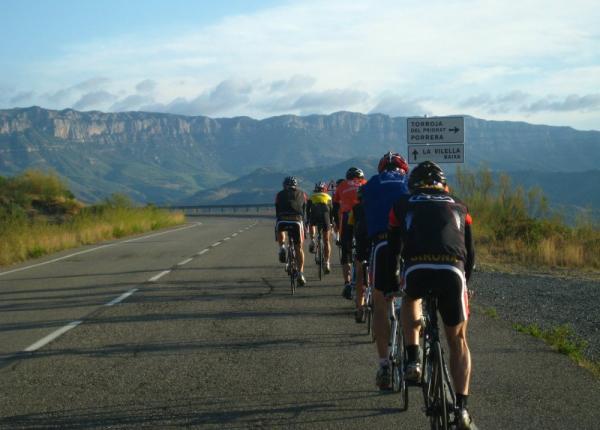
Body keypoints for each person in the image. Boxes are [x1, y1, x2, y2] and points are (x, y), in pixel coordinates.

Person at [388, 161, 477, 430]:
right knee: (458, 339)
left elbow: (394, 249)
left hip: (417, 267)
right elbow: (470, 255)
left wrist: (391, 282)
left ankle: (413, 358)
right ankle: (461, 409)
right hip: (453, 271)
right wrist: (465, 284)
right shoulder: (460, 205)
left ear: (413, 185)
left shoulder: (402, 203)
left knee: (410, 299)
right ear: (443, 185)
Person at [360, 152, 410, 390]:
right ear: (404, 169)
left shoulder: (370, 184)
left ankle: (384, 366)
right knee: (414, 299)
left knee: (380, 306)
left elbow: (360, 219)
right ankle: (415, 357)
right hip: (411, 245)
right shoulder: (410, 183)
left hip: (381, 246)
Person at [333, 168, 366, 299]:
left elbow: (335, 205)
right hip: (363, 216)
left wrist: (336, 222)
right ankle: (367, 279)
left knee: (345, 251)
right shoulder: (366, 183)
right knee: (366, 248)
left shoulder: (342, 185)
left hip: (347, 217)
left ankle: (347, 283)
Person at [275, 176, 307, 286]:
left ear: (284, 185)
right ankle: (301, 273)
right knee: (299, 248)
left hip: (282, 221)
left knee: (279, 226)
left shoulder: (279, 194)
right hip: (297, 222)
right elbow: (304, 211)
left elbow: (277, 210)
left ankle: (282, 247)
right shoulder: (302, 194)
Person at [348, 186, 369, 322]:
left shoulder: (355, 209)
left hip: (362, 241)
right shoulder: (377, 206)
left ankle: (359, 308)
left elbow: (350, 228)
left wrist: (347, 245)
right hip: (378, 240)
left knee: (360, 269)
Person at [307, 181, 333, 274]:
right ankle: (327, 262)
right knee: (326, 241)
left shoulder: (312, 196)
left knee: (311, 223)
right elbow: (331, 211)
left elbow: (307, 210)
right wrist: (331, 223)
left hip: (314, 214)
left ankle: (313, 239)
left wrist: (307, 221)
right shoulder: (328, 197)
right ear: (324, 189)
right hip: (325, 216)